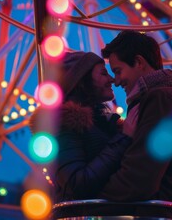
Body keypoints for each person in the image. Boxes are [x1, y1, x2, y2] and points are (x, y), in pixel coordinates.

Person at [99, 30, 172, 220]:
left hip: (161, 213)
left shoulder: (161, 99)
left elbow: (140, 176)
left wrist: (95, 196)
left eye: (118, 71)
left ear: (138, 62)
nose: (116, 80)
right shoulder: (165, 98)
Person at [29, 51, 131, 215]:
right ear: (82, 79)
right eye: (103, 73)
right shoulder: (63, 123)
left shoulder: (101, 123)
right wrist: (123, 139)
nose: (112, 79)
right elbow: (76, 184)